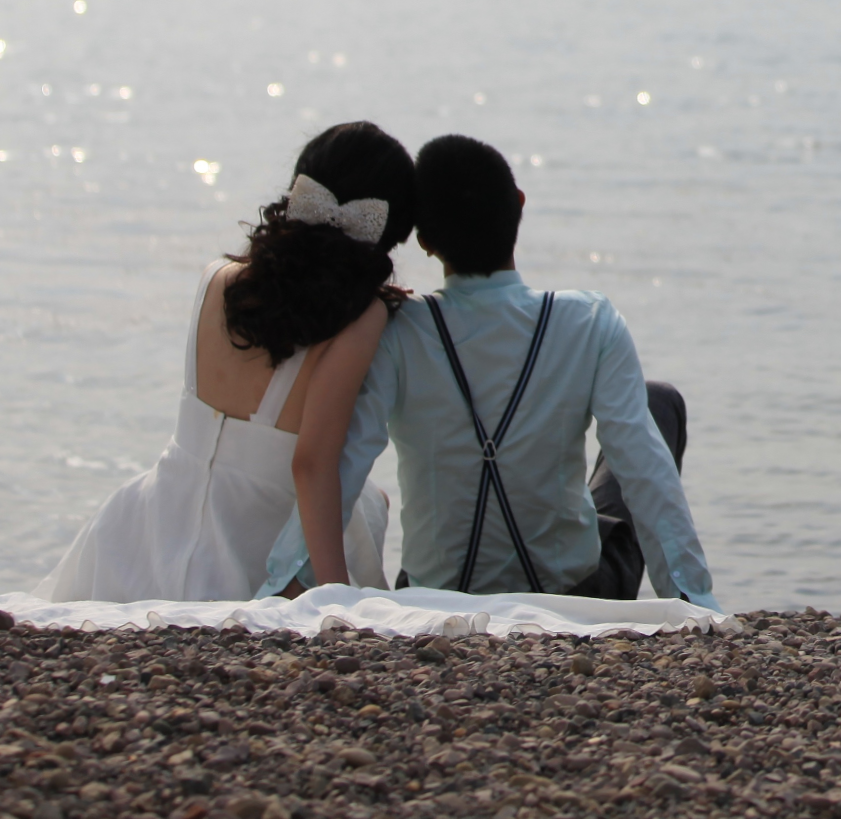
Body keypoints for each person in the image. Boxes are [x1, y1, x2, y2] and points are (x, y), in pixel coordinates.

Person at [259, 134, 719, 610]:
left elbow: (346, 462)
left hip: (433, 597)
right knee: (657, 402)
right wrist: (694, 602)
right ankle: (682, 588)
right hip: (569, 596)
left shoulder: (397, 330)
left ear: (426, 242)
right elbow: (645, 471)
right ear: (519, 205)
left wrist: (285, 582)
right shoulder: (590, 322)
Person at [36, 123, 411, 602]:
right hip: (250, 542)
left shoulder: (218, 277)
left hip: (143, 529)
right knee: (368, 506)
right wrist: (334, 597)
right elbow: (313, 464)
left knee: (367, 501)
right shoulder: (364, 316)